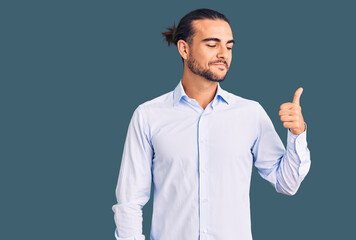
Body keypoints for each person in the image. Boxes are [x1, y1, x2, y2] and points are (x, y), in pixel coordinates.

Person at [112, 8, 311, 240]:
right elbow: (129, 202)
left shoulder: (250, 113)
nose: (223, 54)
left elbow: (286, 183)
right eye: (212, 44)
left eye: (229, 46)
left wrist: (298, 133)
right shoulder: (148, 116)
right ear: (184, 49)